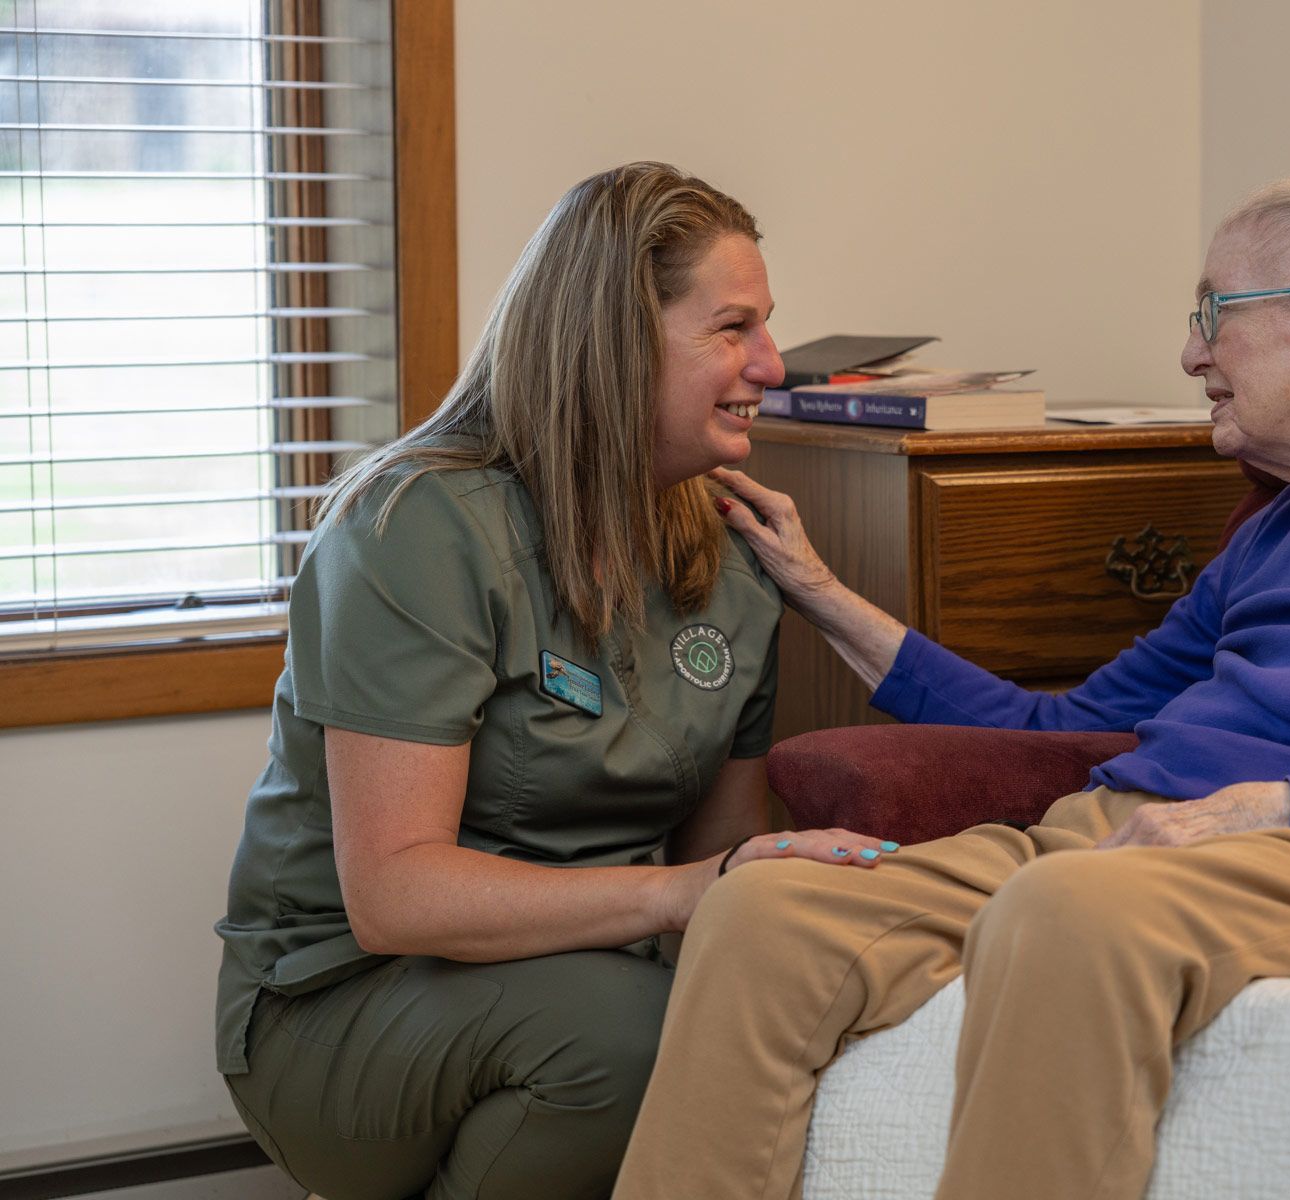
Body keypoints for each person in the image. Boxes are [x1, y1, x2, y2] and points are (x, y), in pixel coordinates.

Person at [612, 169, 1290, 1200]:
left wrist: (1280, 804)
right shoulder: (1272, 533)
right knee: (766, 915)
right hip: (1118, 838)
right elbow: (1061, 726)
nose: (1192, 353)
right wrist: (820, 590)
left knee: (1067, 910)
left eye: (1213, 315)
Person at [213, 162, 896, 1200]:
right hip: (349, 1005)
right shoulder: (418, 530)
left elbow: (723, 860)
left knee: (789, 1009)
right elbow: (396, 898)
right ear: (619, 342)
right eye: (732, 328)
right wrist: (676, 897)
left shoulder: (732, 559)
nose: (771, 364)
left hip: (591, 977)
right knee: (633, 1038)